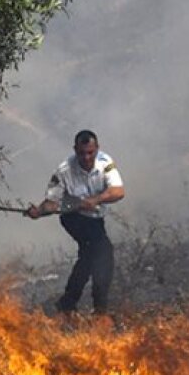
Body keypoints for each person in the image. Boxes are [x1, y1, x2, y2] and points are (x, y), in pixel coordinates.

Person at [26, 130, 125, 315]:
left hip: (96, 219)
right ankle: (100, 310)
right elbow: (52, 202)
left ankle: (67, 304)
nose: (86, 158)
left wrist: (95, 200)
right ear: (75, 150)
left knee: (88, 257)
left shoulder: (105, 162)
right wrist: (39, 211)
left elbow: (118, 191)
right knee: (103, 253)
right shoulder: (64, 171)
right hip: (73, 218)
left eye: (90, 153)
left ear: (97, 149)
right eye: (82, 153)